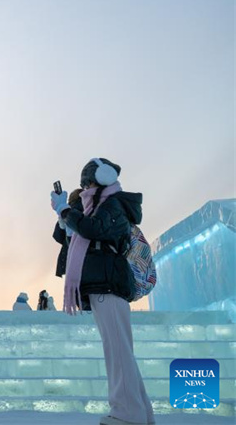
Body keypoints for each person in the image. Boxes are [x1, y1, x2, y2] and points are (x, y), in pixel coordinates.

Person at [50, 157, 154, 425]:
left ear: (100, 179)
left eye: (86, 183)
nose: (83, 189)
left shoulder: (113, 204)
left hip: (108, 283)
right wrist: (63, 213)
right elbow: (68, 238)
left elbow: (95, 229)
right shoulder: (94, 206)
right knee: (120, 350)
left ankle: (127, 413)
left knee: (117, 350)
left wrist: (66, 212)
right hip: (101, 283)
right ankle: (141, 412)